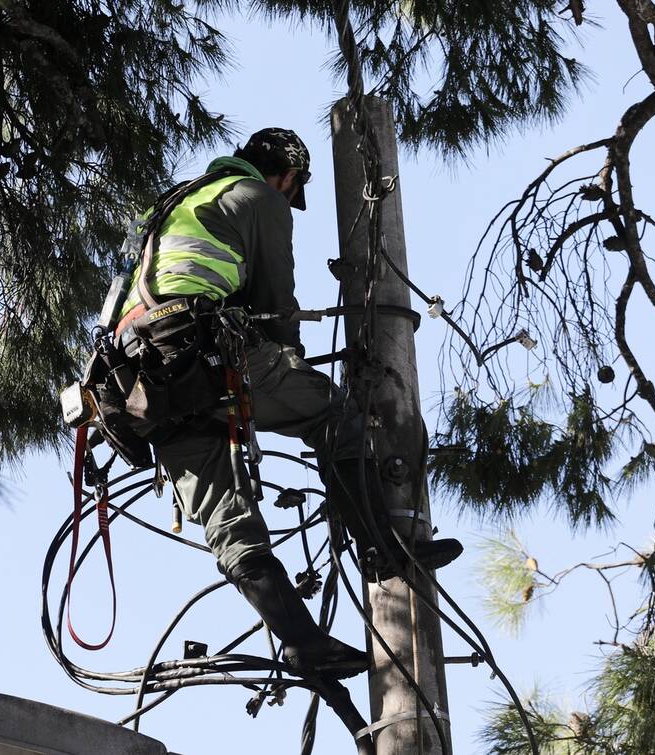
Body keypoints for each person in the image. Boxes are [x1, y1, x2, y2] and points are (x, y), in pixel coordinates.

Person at [113, 128, 462, 678]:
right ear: (286, 174)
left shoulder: (182, 200)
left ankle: (302, 643)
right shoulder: (257, 199)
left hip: (143, 384)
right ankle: (383, 550)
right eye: (291, 185)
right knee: (336, 415)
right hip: (203, 351)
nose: (288, 193)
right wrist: (292, 364)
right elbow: (275, 304)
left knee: (229, 525)